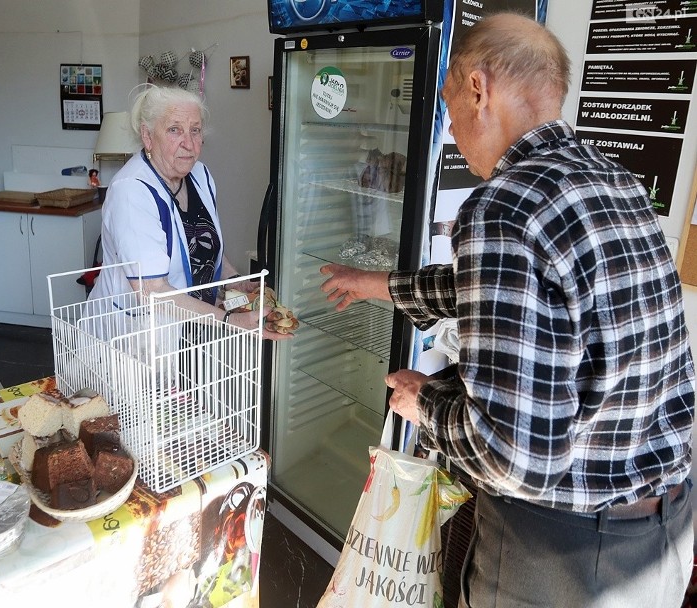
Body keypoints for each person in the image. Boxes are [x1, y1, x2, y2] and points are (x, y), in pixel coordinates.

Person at [320, 13, 694, 608]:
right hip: (663, 534)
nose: (449, 129)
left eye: (447, 104)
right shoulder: (612, 179)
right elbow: (521, 296)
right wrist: (379, 284)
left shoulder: (504, 205)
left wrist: (426, 403)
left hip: (561, 556)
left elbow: (515, 459)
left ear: (478, 89)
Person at [89, 85, 286, 340]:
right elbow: (152, 291)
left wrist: (233, 279)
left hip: (192, 332)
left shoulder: (200, 175)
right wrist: (231, 320)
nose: (189, 143)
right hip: (133, 340)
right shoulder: (132, 191)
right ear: (148, 136)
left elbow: (202, 243)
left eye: (195, 130)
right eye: (174, 130)